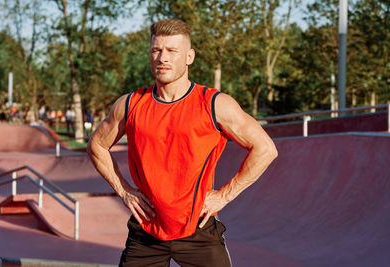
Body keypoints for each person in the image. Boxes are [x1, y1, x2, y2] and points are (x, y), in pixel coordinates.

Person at [87, 19, 277, 267]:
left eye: (171, 51)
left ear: (189, 57)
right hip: (146, 230)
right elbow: (97, 146)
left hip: (198, 229)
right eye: (156, 50)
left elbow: (265, 149)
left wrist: (224, 196)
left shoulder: (214, 104)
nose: (162, 58)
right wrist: (124, 190)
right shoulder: (130, 104)